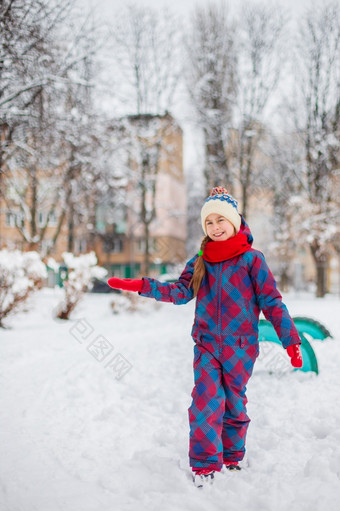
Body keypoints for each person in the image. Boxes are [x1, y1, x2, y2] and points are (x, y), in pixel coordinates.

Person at [107, 186, 303, 488]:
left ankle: (233, 456)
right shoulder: (201, 259)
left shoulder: (253, 260)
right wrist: (142, 286)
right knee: (206, 401)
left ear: (234, 222)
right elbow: (181, 291)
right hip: (207, 344)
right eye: (209, 223)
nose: (215, 227)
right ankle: (204, 466)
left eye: (220, 221)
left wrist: (290, 341)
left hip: (241, 347)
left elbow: (272, 302)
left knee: (234, 404)